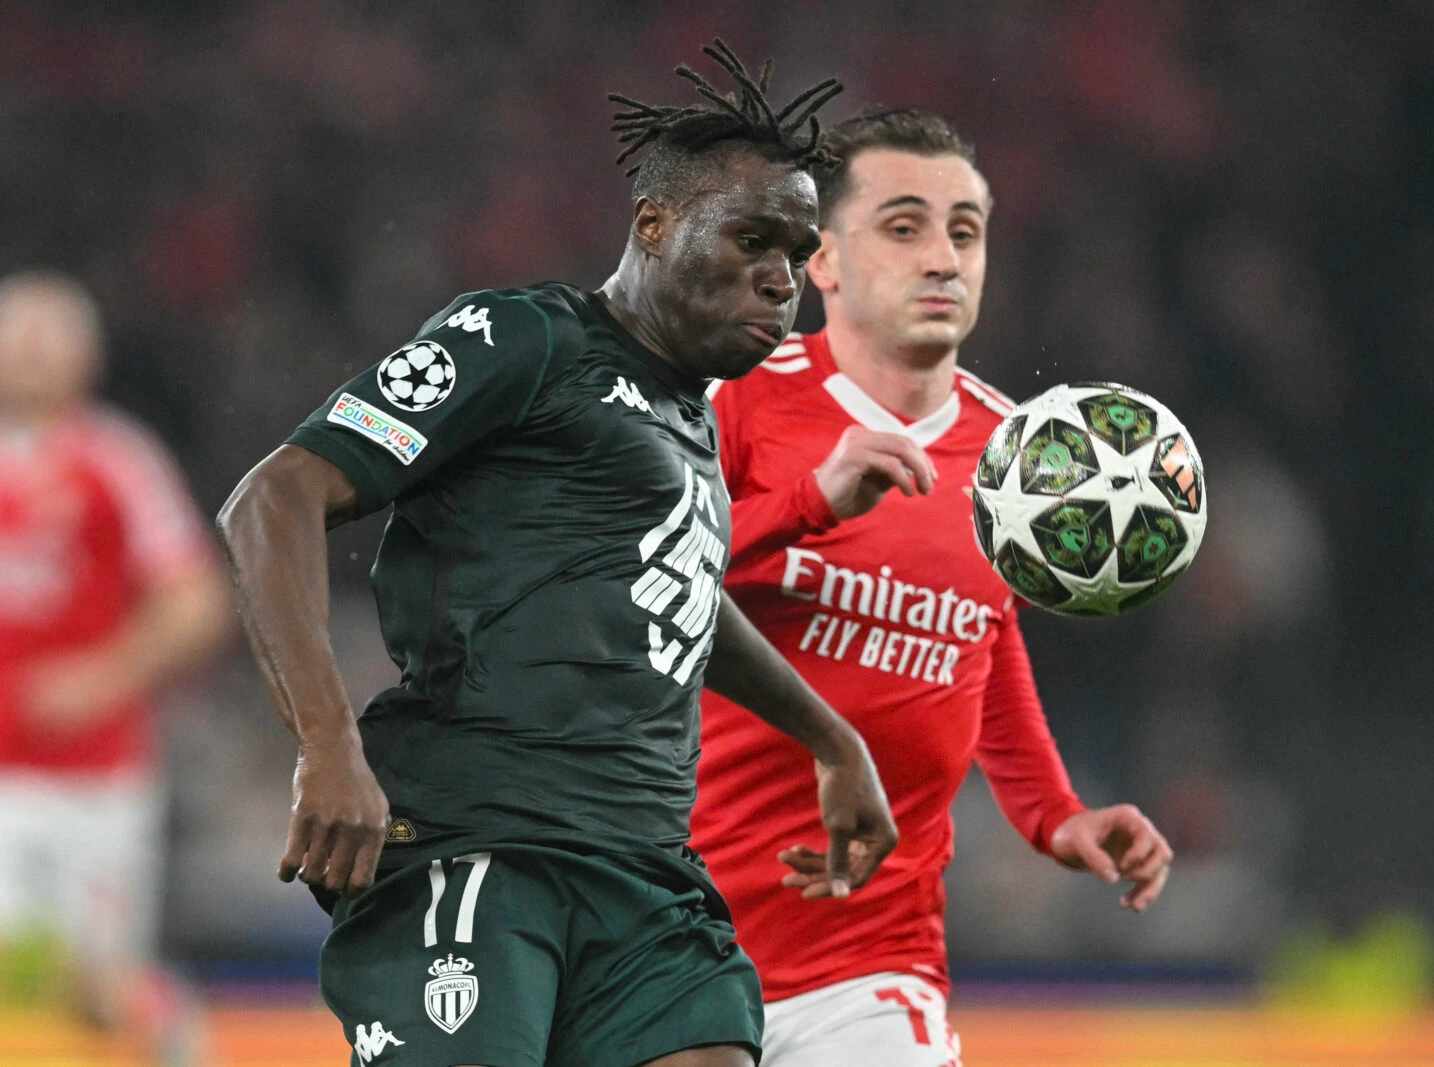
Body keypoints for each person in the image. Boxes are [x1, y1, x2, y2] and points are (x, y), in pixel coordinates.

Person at [216, 42, 897, 1067]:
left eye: (796, 257)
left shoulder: (687, 421)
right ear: (654, 223)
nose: (779, 279)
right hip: (477, 839)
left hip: (646, 871)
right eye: (753, 239)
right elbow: (273, 496)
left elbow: (680, 595)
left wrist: (830, 736)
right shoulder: (524, 338)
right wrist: (323, 742)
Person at [691, 109, 1176, 1066]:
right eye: (904, 226)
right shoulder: (736, 397)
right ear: (822, 260)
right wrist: (805, 502)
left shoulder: (1026, 459)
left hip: (871, 961)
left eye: (966, 230)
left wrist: (1053, 811)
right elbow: (627, 576)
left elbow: (979, 634)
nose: (944, 259)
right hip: (673, 941)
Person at [0, 271, 232, 1060]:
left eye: (47, 337)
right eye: (16, 333)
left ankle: (172, 1037)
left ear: (87, 357)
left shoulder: (116, 459)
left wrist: (104, 676)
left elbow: (196, 600)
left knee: (97, 982)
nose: (28, 353)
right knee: (18, 966)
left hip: (95, 776)